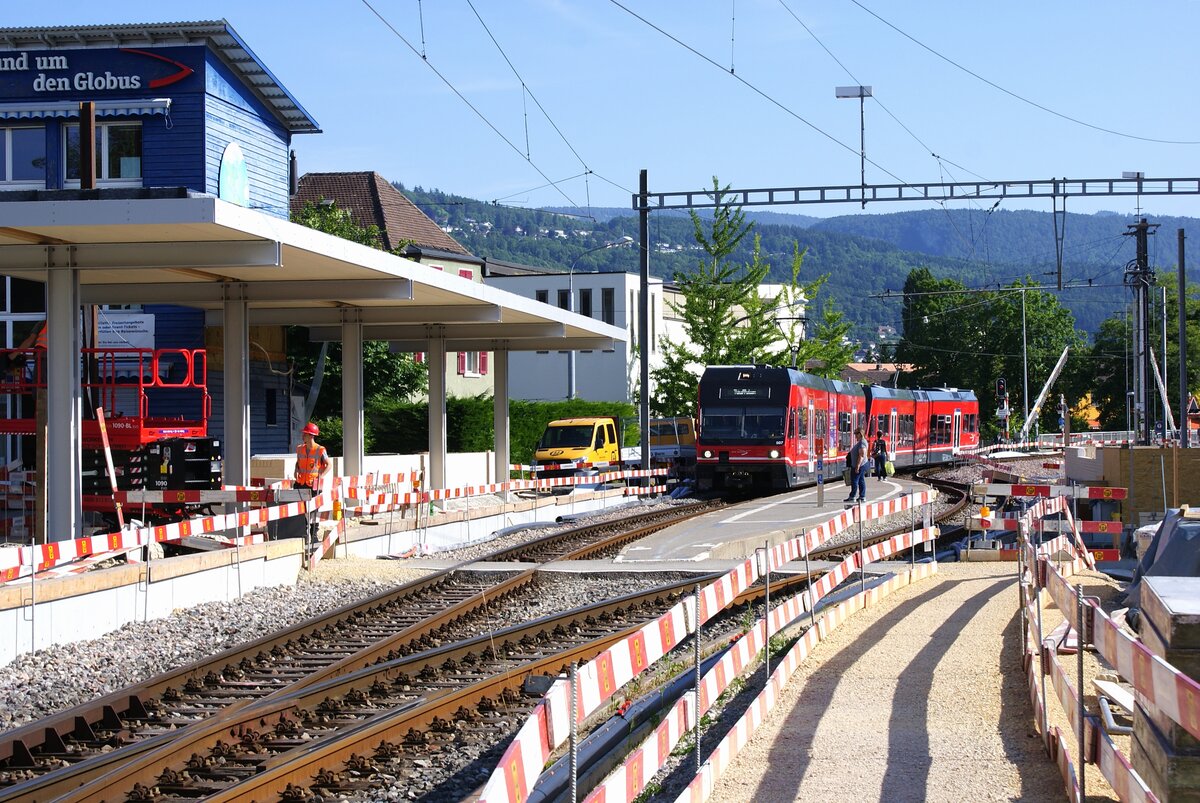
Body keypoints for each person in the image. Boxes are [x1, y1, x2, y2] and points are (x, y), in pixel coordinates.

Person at [294, 422, 331, 492]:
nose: (303, 436)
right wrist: (296, 470)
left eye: (305, 434)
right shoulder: (299, 448)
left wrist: (321, 476)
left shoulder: (320, 449)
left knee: (312, 503)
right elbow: (298, 462)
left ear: (311, 436)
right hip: (300, 483)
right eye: (303, 434)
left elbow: (329, 465)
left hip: (313, 485)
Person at [844, 427, 867, 503]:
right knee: (860, 480)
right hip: (860, 465)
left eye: (856, 434)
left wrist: (857, 466)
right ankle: (862, 496)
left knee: (854, 481)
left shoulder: (862, 443)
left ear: (860, 434)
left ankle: (852, 496)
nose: (855, 436)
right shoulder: (861, 442)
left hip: (859, 465)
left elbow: (861, 455)